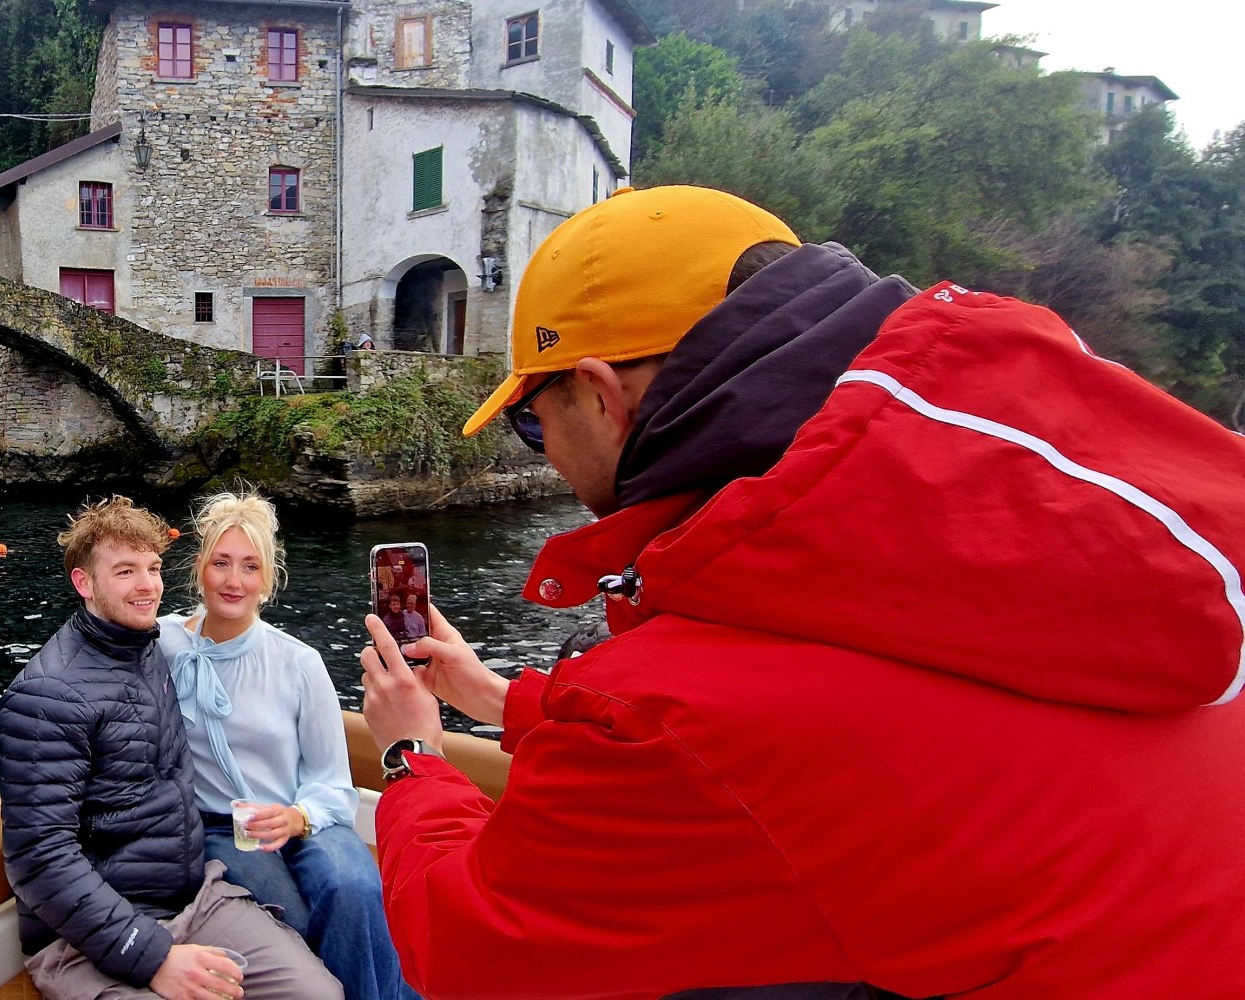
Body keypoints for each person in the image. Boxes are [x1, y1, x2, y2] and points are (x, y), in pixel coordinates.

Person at [356, 185, 1245, 999]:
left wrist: (410, 757)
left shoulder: (674, 715)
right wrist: (499, 699)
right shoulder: (1108, 543)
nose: (539, 448)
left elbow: (476, 951)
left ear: (600, 394)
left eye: (527, 419)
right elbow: (844, 737)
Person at [0, 496, 342, 1000]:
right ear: (84, 583)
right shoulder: (46, 695)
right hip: (90, 935)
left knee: (319, 993)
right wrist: (152, 954)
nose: (147, 586)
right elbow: (39, 858)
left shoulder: (153, 648)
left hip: (192, 900)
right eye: (125, 571)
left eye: (153, 568)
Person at [156, 490, 417, 1000]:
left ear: (268, 579)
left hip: (305, 816)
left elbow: (333, 784)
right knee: (289, 914)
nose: (234, 581)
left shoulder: (299, 662)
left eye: (250, 567)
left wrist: (298, 817)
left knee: (353, 888)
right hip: (219, 826)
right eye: (222, 563)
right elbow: (93, 646)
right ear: (199, 569)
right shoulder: (161, 642)